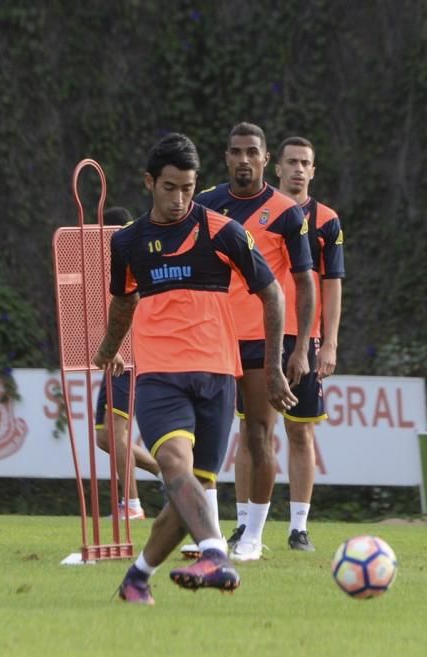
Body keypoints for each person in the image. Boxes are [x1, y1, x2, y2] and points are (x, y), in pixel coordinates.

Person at [93, 132, 296, 604]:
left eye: (188, 187)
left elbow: (273, 294)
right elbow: (123, 303)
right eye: (169, 187)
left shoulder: (225, 231)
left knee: (195, 492)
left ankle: (137, 577)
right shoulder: (128, 242)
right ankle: (214, 553)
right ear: (149, 183)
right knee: (174, 466)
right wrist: (108, 348)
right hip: (161, 374)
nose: (180, 198)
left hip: (218, 374)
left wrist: (274, 366)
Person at [194, 123, 315, 562]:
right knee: (200, 438)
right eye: (235, 152)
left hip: (263, 341)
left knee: (259, 434)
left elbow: (304, 281)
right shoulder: (205, 204)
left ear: (267, 160)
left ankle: (252, 538)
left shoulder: (287, 212)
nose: (243, 159)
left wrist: (299, 347)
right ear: (226, 157)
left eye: (252, 152)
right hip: (211, 338)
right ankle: (206, 533)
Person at [275, 135, 345, 551]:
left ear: (313, 171)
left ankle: (298, 527)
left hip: (305, 338)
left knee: (300, 434)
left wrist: (330, 342)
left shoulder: (327, 220)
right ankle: (247, 525)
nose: (299, 169)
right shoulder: (259, 212)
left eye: (306, 162)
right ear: (277, 168)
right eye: (292, 162)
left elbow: (332, 286)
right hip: (258, 335)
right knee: (254, 434)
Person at [95, 206, 160, 520]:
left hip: (130, 358)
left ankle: (131, 506)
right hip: (114, 356)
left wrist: (118, 346)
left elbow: (131, 308)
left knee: (116, 431)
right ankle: (164, 469)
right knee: (105, 438)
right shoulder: (105, 263)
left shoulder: (134, 259)